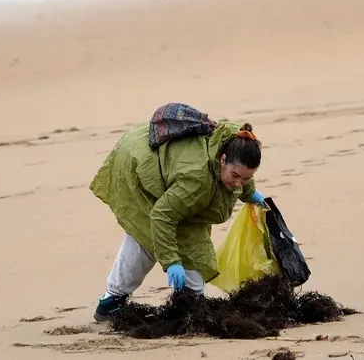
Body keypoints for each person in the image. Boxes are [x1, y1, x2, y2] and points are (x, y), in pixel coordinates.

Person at [89, 104, 266, 321]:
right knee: (145, 237)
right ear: (222, 160)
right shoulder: (196, 180)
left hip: (174, 171)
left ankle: (192, 298)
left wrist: (250, 192)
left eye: (246, 178)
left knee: (192, 240)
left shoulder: (238, 143)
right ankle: (112, 299)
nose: (239, 183)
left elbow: (242, 172)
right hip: (136, 166)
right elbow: (161, 216)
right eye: (235, 176)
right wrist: (172, 261)